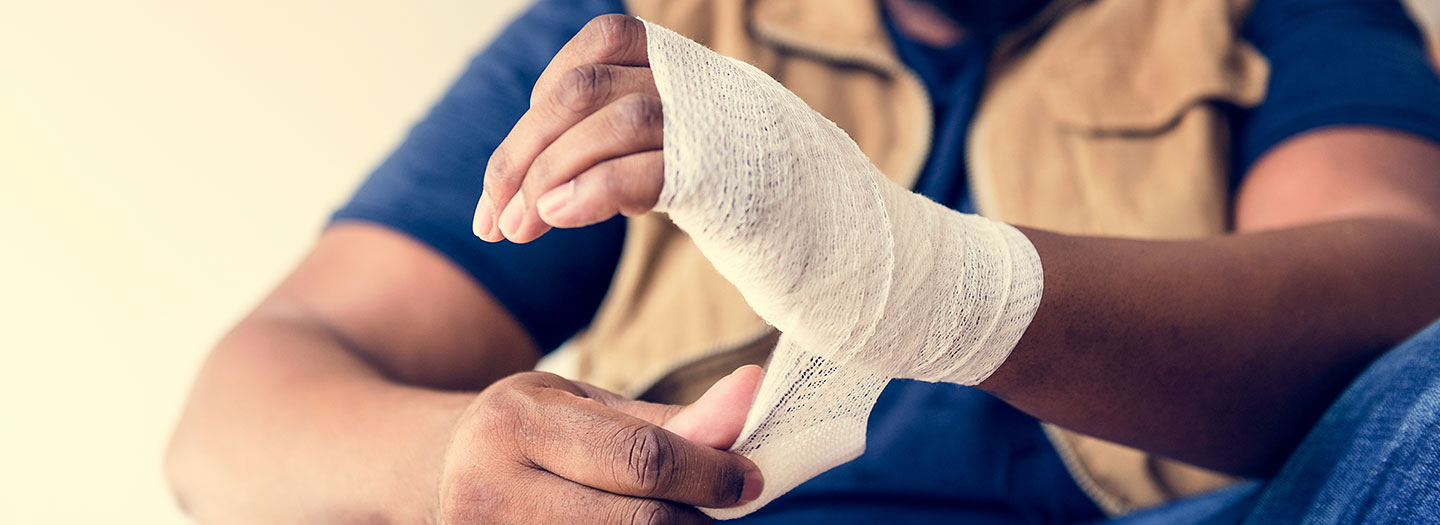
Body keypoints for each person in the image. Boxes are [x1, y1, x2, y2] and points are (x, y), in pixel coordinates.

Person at [166, 0, 1440, 523]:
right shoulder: (636, 36)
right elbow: (238, 416)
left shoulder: (1271, 11)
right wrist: (454, 459)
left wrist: (923, 284)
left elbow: (1397, 296)